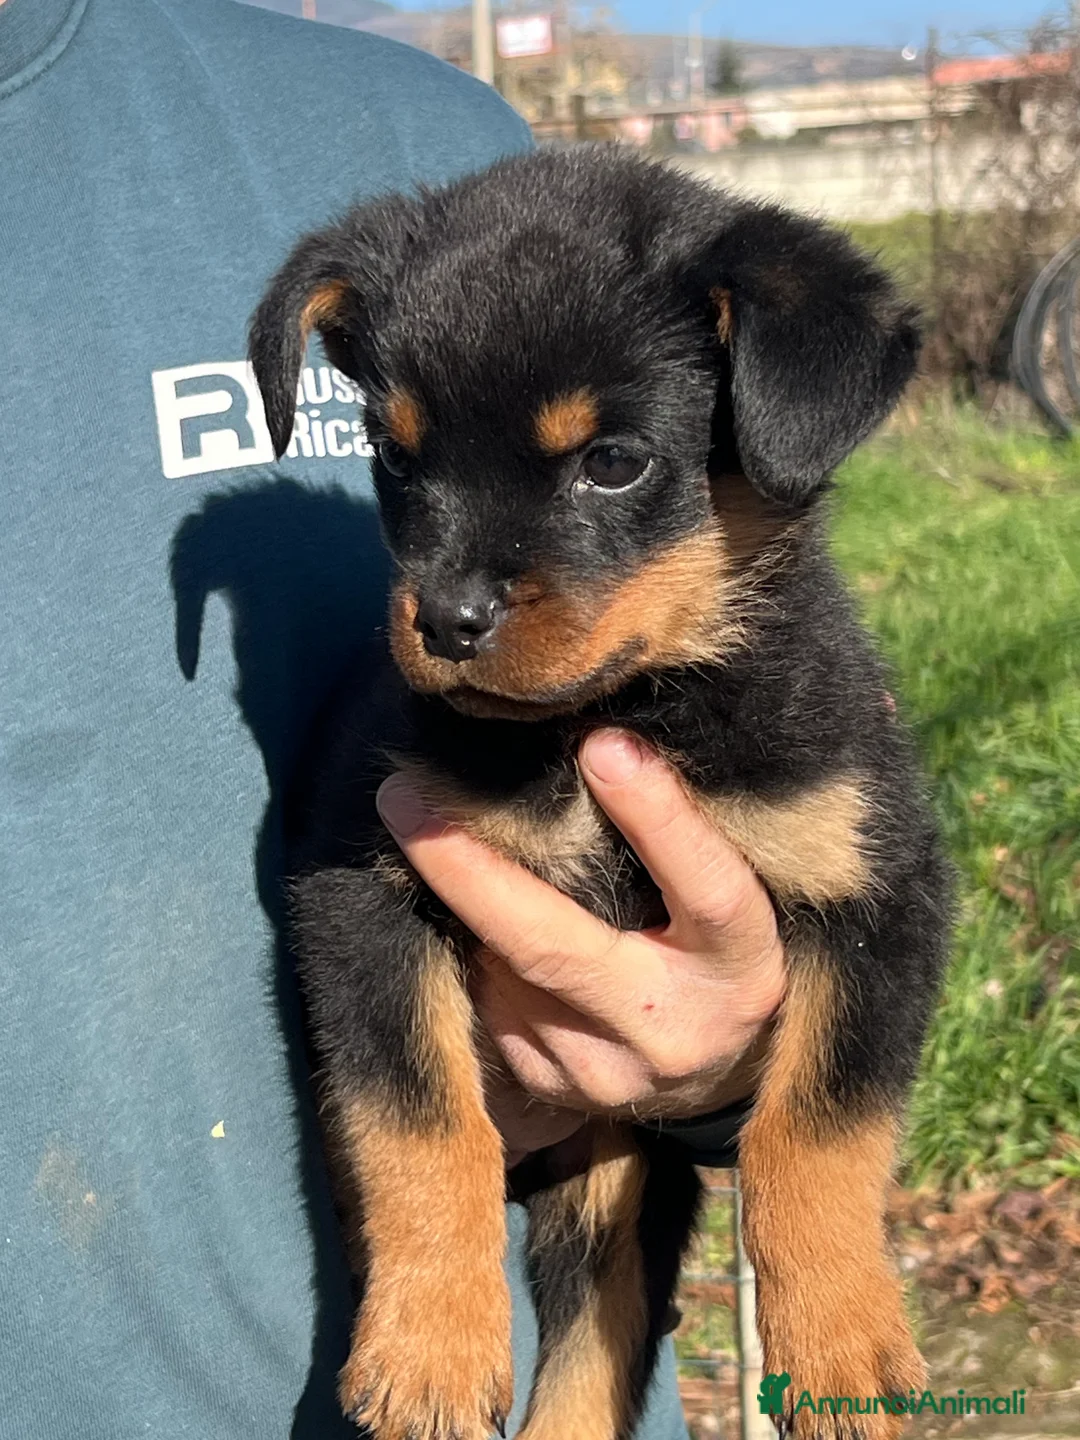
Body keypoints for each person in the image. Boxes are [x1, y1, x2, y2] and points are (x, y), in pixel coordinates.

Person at [0, 1, 784, 1436]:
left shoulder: (425, 147)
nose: (451, 588)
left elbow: (762, 789)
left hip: (523, 1376)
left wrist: (727, 1056)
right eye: (399, 463)